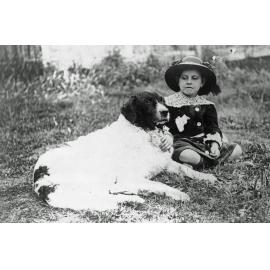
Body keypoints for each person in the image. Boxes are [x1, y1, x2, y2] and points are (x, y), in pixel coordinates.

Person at [160, 56, 242, 169]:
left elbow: (213, 128)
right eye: (184, 78)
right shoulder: (169, 102)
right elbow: (163, 125)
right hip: (181, 143)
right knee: (187, 154)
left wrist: (214, 145)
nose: (189, 82)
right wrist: (168, 137)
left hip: (204, 143)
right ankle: (205, 162)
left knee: (237, 150)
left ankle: (202, 163)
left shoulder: (208, 105)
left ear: (202, 82)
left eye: (194, 78)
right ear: (178, 81)